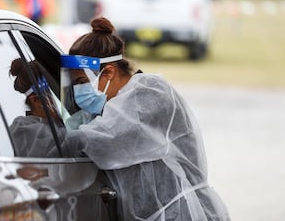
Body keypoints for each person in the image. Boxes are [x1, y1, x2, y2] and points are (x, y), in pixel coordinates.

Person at [60, 17, 231, 221]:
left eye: (81, 81)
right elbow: (79, 129)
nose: (78, 91)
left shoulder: (149, 93)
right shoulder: (106, 108)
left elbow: (104, 139)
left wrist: (56, 140)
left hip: (181, 212)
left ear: (108, 72)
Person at [9, 58, 65, 157]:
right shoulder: (23, 128)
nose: (61, 100)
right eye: (55, 94)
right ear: (35, 100)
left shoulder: (58, 123)